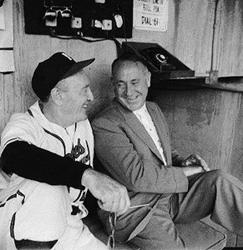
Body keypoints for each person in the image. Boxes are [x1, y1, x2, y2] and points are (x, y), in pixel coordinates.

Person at [92, 52, 243, 250]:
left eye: (135, 82)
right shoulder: (105, 124)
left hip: (169, 196)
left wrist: (181, 162)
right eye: (121, 84)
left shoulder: (153, 109)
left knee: (219, 180)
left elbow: (163, 153)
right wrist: (187, 172)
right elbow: (136, 177)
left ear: (148, 79)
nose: (129, 91)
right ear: (113, 84)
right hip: (138, 210)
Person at [0, 52, 130, 250]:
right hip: (19, 223)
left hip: (70, 224)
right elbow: (15, 156)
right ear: (58, 96)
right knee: (49, 187)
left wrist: (105, 195)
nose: (92, 96)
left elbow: (79, 190)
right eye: (84, 90)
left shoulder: (82, 123)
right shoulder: (26, 123)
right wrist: (88, 176)